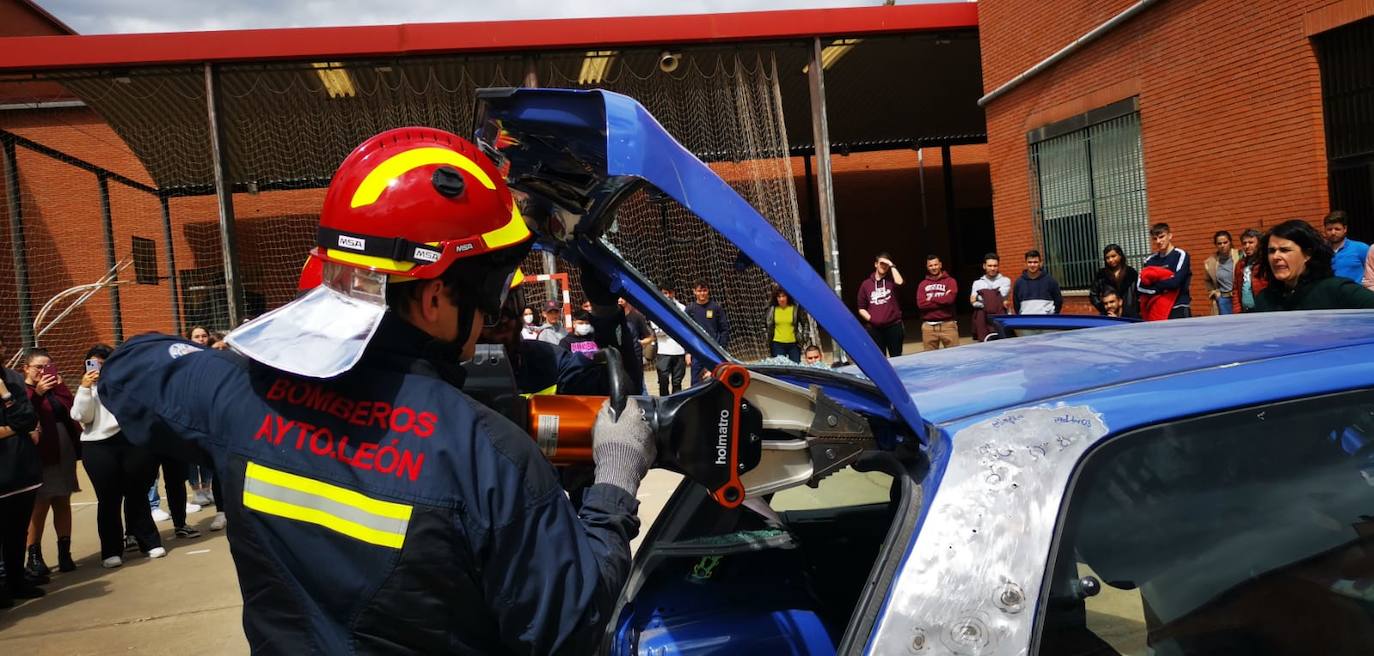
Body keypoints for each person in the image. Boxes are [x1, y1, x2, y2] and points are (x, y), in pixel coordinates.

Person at [97, 127, 653, 652]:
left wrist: (252, 362)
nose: (489, 315)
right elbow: (573, 624)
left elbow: (128, 367)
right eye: (487, 289)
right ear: (434, 298)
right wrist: (614, 486)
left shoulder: (240, 397)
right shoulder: (488, 455)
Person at [71, 345, 166, 568]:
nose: (99, 368)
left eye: (104, 363)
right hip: (98, 447)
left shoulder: (126, 383)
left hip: (130, 442)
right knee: (108, 500)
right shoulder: (87, 389)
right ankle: (111, 550)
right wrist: (86, 388)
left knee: (137, 494)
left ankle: (149, 541)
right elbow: (81, 416)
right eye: (94, 363)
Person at [20, 348, 82, 577]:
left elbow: (71, 410)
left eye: (48, 366)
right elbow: (24, 414)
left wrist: (60, 387)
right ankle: (34, 555)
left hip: (63, 449)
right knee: (40, 505)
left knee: (63, 500)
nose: (43, 371)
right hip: (40, 452)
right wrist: (37, 393)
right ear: (26, 368)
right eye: (38, 367)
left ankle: (64, 552)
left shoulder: (57, 389)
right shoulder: (22, 390)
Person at [0, 338, 42, 607]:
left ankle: (17, 580)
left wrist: (5, 395)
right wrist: (17, 427)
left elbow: (28, 418)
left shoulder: (13, 379)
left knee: (17, 532)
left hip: (22, 473)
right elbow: (23, 424)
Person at [1253, 219, 1374, 311]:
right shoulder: (1265, 299)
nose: (1275, 257)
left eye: (1284, 250)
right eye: (1271, 251)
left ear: (1307, 254)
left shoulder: (1337, 290)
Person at [1138, 223, 1193, 319]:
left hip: (1178, 306)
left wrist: (1155, 286)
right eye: (1155, 239)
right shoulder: (1150, 260)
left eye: (1161, 237)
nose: (1158, 241)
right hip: (1156, 309)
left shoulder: (1180, 255)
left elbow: (1176, 282)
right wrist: (1162, 286)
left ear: (1170, 236)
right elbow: (1140, 286)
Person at [856, 253, 905, 357]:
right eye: (881, 263)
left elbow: (900, 283)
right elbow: (861, 308)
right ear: (876, 264)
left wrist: (891, 265)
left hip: (893, 326)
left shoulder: (891, 281)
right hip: (875, 329)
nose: (884, 266)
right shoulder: (866, 284)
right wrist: (872, 319)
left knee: (897, 357)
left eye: (886, 264)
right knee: (879, 358)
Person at [685, 281, 729, 382]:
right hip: (697, 351)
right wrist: (687, 352)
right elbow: (686, 332)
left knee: (715, 381)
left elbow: (724, 330)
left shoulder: (716, 307)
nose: (702, 293)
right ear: (694, 292)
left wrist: (721, 348)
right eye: (699, 291)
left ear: (708, 291)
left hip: (714, 351)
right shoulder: (690, 309)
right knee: (696, 382)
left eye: (704, 290)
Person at [915, 255, 959, 350]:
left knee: (955, 356)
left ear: (940, 265)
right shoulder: (923, 284)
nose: (933, 267)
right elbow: (921, 304)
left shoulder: (950, 281)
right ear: (927, 267)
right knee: (930, 360)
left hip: (948, 325)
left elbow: (950, 299)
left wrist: (930, 299)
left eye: (935, 265)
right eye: (931, 265)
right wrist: (943, 299)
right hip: (929, 328)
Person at [652, 286, 688, 396]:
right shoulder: (655, 309)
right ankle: (664, 405)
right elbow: (658, 331)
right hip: (663, 351)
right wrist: (673, 327)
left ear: (673, 293)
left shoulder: (682, 308)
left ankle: (676, 406)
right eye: (663, 293)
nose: (666, 296)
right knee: (663, 382)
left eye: (668, 293)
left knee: (677, 383)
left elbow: (685, 330)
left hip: (679, 350)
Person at [1089, 244, 1139, 318]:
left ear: (1120, 256)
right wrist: (1103, 308)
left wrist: (1135, 308)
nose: (1110, 260)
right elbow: (1093, 295)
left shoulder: (1131, 272)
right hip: (1109, 315)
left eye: (1113, 256)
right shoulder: (1101, 274)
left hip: (1129, 313)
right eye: (1107, 258)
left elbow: (1138, 292)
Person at [970, 252, 1011, 342]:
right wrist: (994, 294)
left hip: (1001, 321)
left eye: (995, 266)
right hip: (982, 322)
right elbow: (973, 302)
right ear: (984, 266)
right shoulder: (977, 283)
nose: (992, 268)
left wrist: (979, 296)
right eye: (990, 266)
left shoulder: (1006, 281)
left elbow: (997, 298)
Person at [1012, 250, 1063, 315]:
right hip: (1026, 322)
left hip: (1046, 322)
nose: (1032, 265)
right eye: (1029, 262)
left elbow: (1058, 301)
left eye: (1035, 262)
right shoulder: (1019, 283)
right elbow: (1016, 305)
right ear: (1025, 264)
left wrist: (1051, 315)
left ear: (1040, 263)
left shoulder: (1051, 281)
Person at [1325, 210, 1369, 283]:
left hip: (1356, 293)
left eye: (1337, 229)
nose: (1333, 233)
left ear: (1345, 229)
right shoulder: (1322, 252)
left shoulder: (1361, 248)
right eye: (1329, 229)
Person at [764, 287, 805, 362]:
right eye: (779, 297)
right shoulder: (771, 309)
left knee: (796, 368)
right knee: (780, 368)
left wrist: (803, 338)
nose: (781, 299)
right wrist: (766, 337)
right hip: (777, 344)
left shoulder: (795, 308)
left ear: (788, 297)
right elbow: (764, 325)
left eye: (783, 296)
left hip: (794, 344)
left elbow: (805, 324)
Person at [1204, 231, 1240, 315]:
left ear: (1230, 242)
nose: (1222, 245)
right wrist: (1214, 293)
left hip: (1238, 297)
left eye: (1225, 242)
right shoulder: (1210, 262)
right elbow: (1207, 280)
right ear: (1216, 245)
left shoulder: (1239, 256)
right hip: (1223, 299)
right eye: (1219, 243)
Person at [1232, 228, 1268, 313]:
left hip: (1263, 310)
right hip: (1245, 311)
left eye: (1251, 242)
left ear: (1259, 244)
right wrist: (1237, 310)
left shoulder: (1265, 262)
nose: (1247, 246)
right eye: (1244, 243)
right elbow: (1236, 289)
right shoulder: (1240, 264)